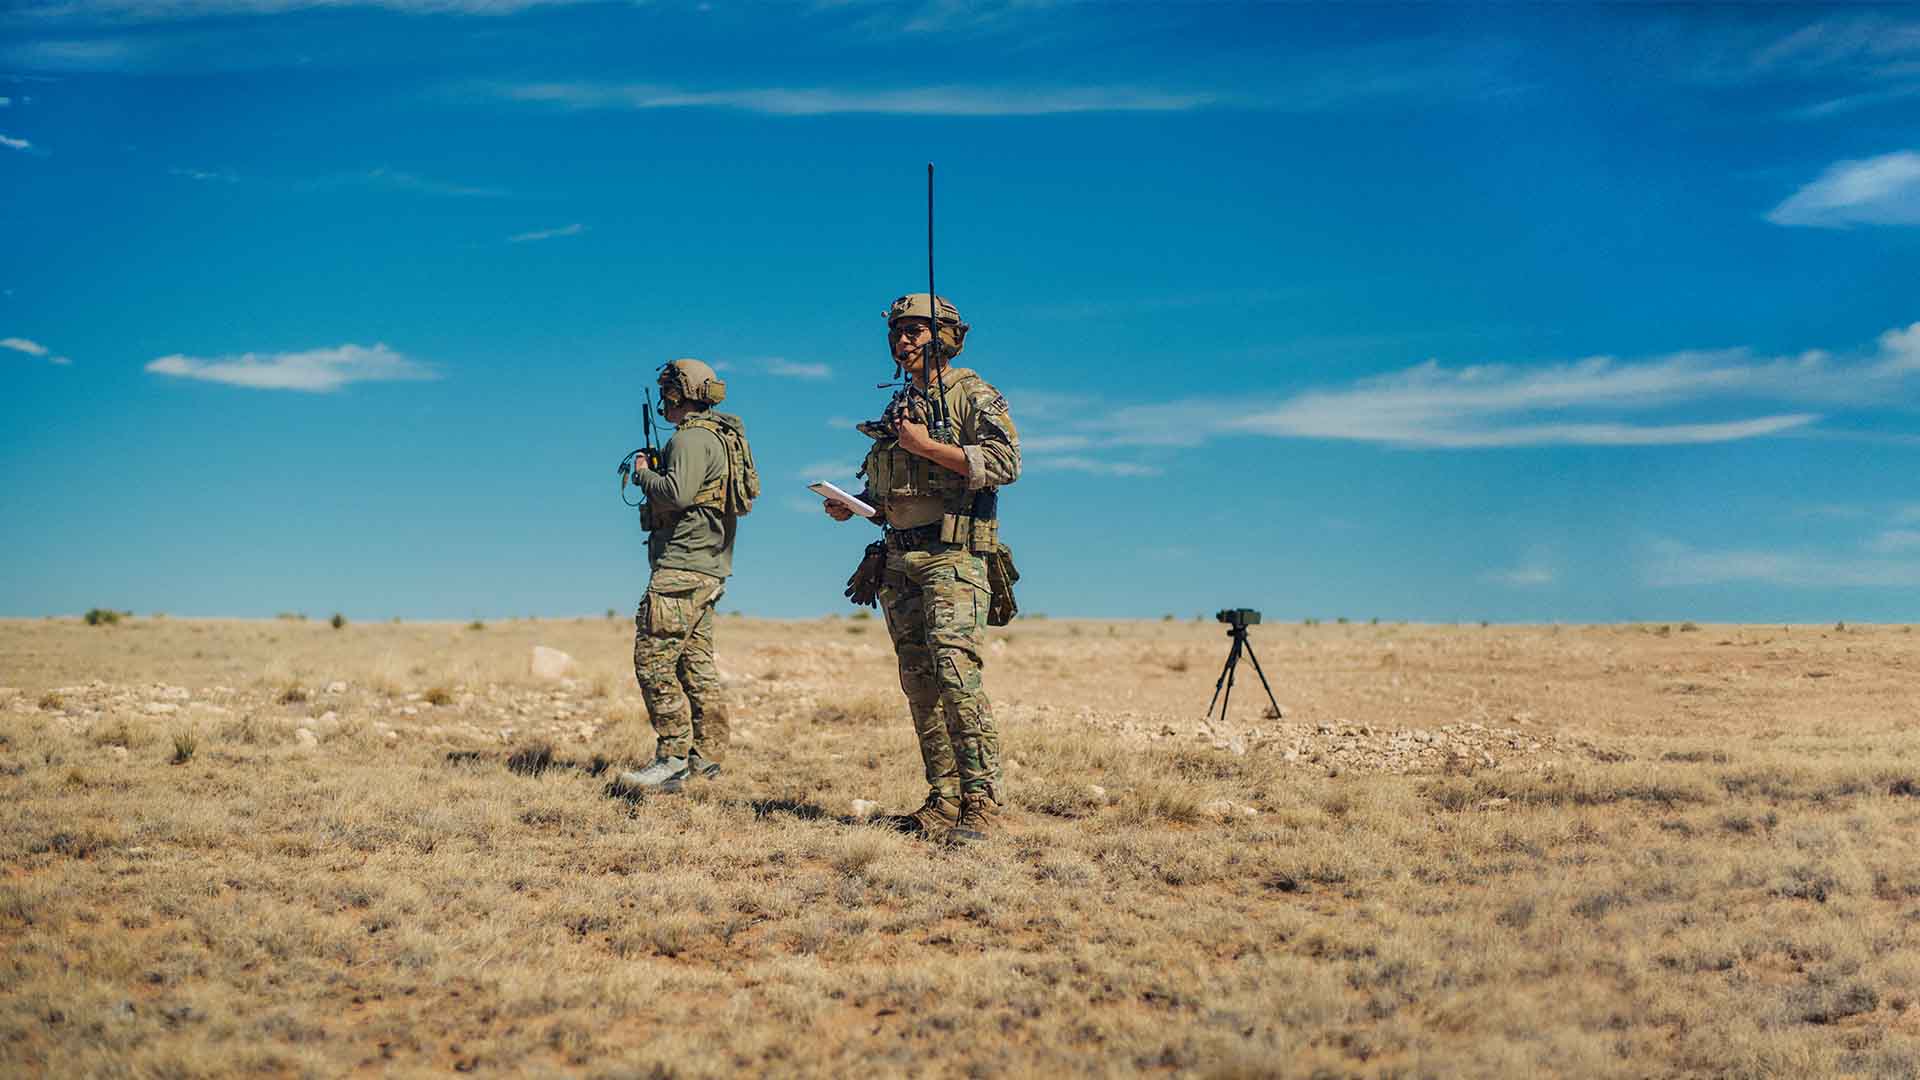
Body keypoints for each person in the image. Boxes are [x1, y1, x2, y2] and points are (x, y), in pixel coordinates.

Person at [824, 294, 1019, 843]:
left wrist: (928, 446)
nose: (903, 339)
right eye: (897, 331)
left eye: (916, 330)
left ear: (947, 337)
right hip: (897, 559)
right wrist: (857, 505)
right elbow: (895, 488)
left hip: (952, 557)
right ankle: (943, 798)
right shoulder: (901, 404)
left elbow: (1005, 463)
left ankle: (981, 802)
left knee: (956, 675)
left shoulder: (971, 394)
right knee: (919, 683)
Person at [615, 359, 758, 794]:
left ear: (679, 393)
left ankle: (672, 759)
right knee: (695, 665)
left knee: (652, 662)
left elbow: (676, 494)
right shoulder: (719, 437)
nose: (664, 400)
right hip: (708, 567)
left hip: (681, 569)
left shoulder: (690, 439)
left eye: (667, 391)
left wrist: (644, 474)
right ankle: (707, 758)